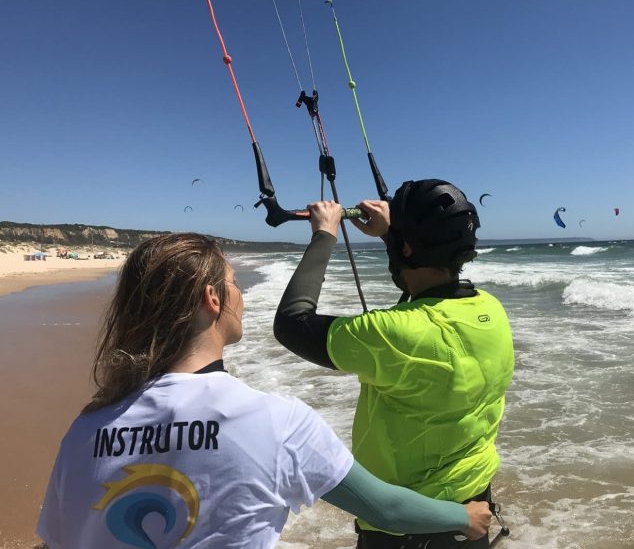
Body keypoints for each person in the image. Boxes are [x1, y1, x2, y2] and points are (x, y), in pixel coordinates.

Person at [36, 233, 492, 548]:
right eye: (233, 283)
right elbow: (387, 509)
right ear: (212, 299)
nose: (241, 295)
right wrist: (464, 517)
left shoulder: (87, 427)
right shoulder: (275, 421)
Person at [273, 179, 515, 548]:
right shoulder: (490, 309)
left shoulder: (390, 334)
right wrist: (395, 239)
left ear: (407, 246)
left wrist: (325, 234)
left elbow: (291, 323)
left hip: (408, 527)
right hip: (474, 511)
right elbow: (424, 303)